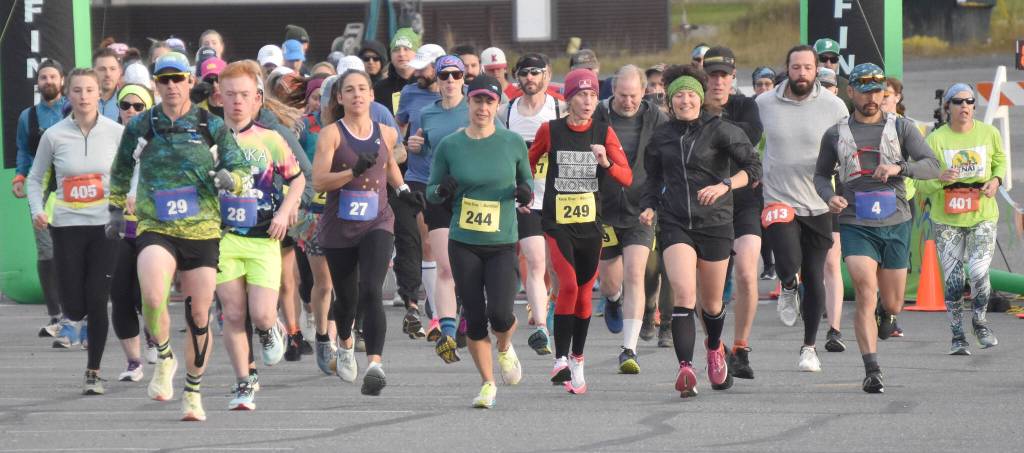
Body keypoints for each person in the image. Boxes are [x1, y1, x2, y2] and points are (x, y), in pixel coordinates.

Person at [108, 52, 251, 421]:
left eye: (177, 79)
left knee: (199, 315)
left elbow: (240, 168)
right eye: (164, 79)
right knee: (153, 295)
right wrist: (112, 209)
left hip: (202, 229)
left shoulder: (210, 125)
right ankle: (165, 356)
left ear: (189, 81)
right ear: (156, 84)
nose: (171, 86)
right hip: (156, 224)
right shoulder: (142, 125)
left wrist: (228, 179)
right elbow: (122, 168)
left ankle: (193, 391)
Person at [814, 63, 940, 393]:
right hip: (856, 222)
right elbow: (819, 175)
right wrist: (830, 196)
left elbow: (933, 166)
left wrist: (900, 167)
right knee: (865, 290)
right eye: (865, 91)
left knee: (893, 303)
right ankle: (872, 368)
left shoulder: (903, 128)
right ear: (850, 92)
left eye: (878, 91)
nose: (872, 97)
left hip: (895, 221)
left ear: (885, 94)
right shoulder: (835, 133)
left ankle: (889, 313)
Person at [639, 63, 761, 398]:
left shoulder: (721, 130)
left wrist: (724, 186)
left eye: (691, 94)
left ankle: (712, 349)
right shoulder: (661, 136)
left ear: (701, 97)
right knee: (683, 296)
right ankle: (685, 369)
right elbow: (653, 179)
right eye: (679, 95)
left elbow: (753, 168)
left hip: (716, 223)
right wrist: (649, 206)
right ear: (670, 100)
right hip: (676, 222)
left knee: (710, 304)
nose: (685, 100)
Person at [312, 68, 423, 396]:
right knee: (347, 299)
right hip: (339, 227)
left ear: (372, 95)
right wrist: (351, 171)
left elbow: (389, 167)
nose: (357, 94)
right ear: (340, 97)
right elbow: (319, 181)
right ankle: (345, 341)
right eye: (350, 90)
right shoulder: (331, 134)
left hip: (378, 221)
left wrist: (403, 191)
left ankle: (375, 363)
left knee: (372, 288)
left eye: (363, 89)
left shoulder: (386, 132)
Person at [427, 74, 530, 408]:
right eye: (477, 100)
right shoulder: (451, 145)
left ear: (498, 105)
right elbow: (430, 189)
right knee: (473, 314)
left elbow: (525, 179)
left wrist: (525, 192)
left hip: (501, 241)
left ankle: (504, 347)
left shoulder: (512, 142)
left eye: (489, 101)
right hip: (464, 242)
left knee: (501, 314)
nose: (483, 107)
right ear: (468, 102)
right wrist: (443, 191)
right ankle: (487, 383)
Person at [529, 68, 633, 394]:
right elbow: (525, 162)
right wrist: (521, 193)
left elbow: (626, 177)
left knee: (586, 293)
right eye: (581, 95)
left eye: (591, 95)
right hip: (557, 222)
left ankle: (577, 359)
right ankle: (559, 359)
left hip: (590, 223)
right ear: (569, 98)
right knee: (569, 286)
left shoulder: (604, 132)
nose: (588, 101)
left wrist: (605, 163)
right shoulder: (551, 130)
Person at [213, 61, 306, 411]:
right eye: (231, 94)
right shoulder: (210, 140)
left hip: (263, 235)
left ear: (258, 100)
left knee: (263, 314)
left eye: (245, 95)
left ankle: (271, 330)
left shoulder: (270, 139)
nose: (237, 101)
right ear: (219, 98)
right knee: (234, 315)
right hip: (222, 238)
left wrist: (285, 212)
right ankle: (244, 382)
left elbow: (297, 179)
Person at [26, 68, 124, 395]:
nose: (83, 96)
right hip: (66, 225)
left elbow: (134, 169)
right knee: (75, 305)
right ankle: (72, 318)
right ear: (68, 94)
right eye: (77, 90)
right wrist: (38, 210)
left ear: (100, 95)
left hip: (105, 226)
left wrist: (129, 198)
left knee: (97, 299)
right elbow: (34, 178)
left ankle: (93, 371)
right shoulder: (53, 135)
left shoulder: (115, 132)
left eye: (90, 90)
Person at [757, 45, 848, 373]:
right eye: (796, 68)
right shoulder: (764, 104)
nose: (802, 74)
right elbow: (749, 142)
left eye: (808, 68)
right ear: (788, 69)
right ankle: (786, 284)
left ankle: (809, 347)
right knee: (788, 260)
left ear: (815, 72)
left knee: (814, 274)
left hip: (818, 203)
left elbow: (847, 153)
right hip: (778, 199)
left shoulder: (834, 106)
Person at [411, 55, 506, 360]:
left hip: (476, 199)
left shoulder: (478, 109)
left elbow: (502, 144)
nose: (450, 80)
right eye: (444, 75)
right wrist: (415, 146)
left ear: (464, 81)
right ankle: (447, 331)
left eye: (456, 75)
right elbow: (423, 151)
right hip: (442, 193)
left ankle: (467, 310)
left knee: (470, 271)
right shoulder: (426, 113)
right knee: (446, 266)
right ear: (436, 80)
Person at [918, 83, 1004, 355]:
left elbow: (1000, 161)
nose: (964, 106)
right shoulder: (935, 140)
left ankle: (980, 322)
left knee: (978, 271)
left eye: (969, 102)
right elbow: (920, 183)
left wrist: (996, 179)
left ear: (974, 107)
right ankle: (957, 335)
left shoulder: (989, 133)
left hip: (982, 215)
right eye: (958, 102)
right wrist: (938, 181)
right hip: (947, 219)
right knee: (954, 280)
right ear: (948, 108)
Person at [593, 64, 667, 374]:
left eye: (634, 96)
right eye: (622, 95)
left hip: (641, 209)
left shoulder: (656, 118)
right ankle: (612, 300)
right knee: (611, 281)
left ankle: (629, 348)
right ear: (613, 92)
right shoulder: (597, 115)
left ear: (643, 92)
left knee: (636, 272)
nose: (628, 102)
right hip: (605, 210)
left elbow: (668, 159)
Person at [700, 46, 763, 382]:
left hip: (744, 201)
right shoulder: (690, 107)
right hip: (705, 204)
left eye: (724, 75)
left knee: (747, 272)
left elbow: (748, 138)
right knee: (703, 292)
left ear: (733, 77)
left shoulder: (746, 106)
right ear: (703, 77)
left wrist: (714, 122)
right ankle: (717, 345)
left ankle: (741, 347)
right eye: (712, 75)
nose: (718, 81)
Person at [499, 52, 566, 356]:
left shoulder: (559, 108)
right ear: (516, 78)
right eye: (524, 73)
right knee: (536, 263)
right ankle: (541, 327)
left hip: (558, 198)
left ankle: (556, 311)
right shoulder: (506, 112)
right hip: (525, 202)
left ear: (546, 75)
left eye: (535, 72)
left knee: (560, 267)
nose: (529, 78)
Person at [12, 58, 67, 341]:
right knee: (46, 251)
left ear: (62, 81)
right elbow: (22, 149)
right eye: (43, 77)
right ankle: (55, 314)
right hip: (40, 191)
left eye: (53, 77)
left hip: (71, 189)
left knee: (70, 249)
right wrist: (20, 177)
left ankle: (74, 313)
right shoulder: (27, 117)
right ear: (38, 83)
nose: (48, 82)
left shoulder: (73, 110)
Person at [396, 43, 445, 337]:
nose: (418, 72)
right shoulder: (409, 92)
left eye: (425, 67)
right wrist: (404, 145)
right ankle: (436, 314)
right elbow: (399, 125)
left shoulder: (457, 94)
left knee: (449, 247)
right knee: (427, 243)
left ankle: (450, 299)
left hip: (450, 179)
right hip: (417, 175)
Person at [109, 83, 157, 381]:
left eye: (138, 106)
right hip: (115, 227)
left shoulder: (157, 139)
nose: (130, 111)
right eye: (125, 105)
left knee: (148, 295)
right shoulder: (107, 136)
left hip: (151, 227)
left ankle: (155, 335)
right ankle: (133, 362)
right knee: (120, 294)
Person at [374, 28, 420, 113]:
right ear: (390, 55)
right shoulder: (378, 89)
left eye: (406, 49)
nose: (401, 54)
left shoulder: (427, 86)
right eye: (396, 50)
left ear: (416, 54)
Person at [813, 38, 851, 106]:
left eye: (833, 59)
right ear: (813, 60)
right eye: (823, 59)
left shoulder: (847, 87)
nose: (828, 64)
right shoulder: (805, 84)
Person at [93, 48, 124, 120]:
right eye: (102, 69)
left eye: (112, 69)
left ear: (120, 71)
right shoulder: (84, 100)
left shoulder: (127, 102)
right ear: (93, 72)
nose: (108, 74)